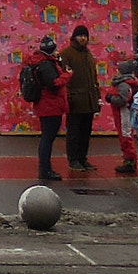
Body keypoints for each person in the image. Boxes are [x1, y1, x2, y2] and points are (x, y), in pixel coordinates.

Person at [23, 36, 66, 182]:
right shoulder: (46, 64)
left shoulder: (38, 62)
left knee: (47, 137)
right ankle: (45, 170)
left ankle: (45, 168)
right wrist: (68, 75)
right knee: (48, 138)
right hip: (50, 105)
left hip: (45, 104)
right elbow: (54, 83)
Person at [60, 25, 100, 173]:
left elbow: (94, 78)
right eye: (80, 35)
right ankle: (74, 159)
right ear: (74, 37)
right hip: (75, 99)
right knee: (74, 132)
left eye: (85, 35)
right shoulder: (67, 54)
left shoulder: (88, 55)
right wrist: (68, 96)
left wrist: (97, 97)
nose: (83, 38)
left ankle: (83, 158)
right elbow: (65, 77)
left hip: (89, 99)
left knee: (85, 132)